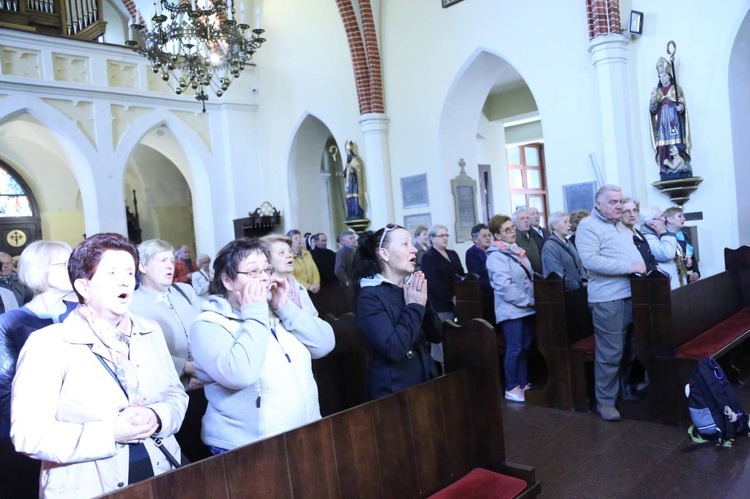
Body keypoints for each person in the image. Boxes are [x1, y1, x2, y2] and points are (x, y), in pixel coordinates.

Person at [11, 233, 188, 498]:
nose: (124, 280)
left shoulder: (149, 330)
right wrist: (111, 433)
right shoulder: (48, 344)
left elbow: (176, 393)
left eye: (129, 272)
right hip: (88, 484)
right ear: (83, 287)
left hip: (159, 472)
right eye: (112, 272)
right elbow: (29, 435)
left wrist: (159, 416)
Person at [189, 238, 334, 453]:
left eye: (267, 269)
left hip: (304, 430)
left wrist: (286, 308)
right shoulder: (208, 324)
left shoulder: (276, 311)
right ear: (228, 280)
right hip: (247, 446)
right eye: (253, 272)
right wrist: (255, 313)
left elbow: (325, 344)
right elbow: (240, 374)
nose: (265, 278)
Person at [0, 240, 77, 499]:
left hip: (86, 429)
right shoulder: (11, 323)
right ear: (39, 270)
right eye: (63, 264)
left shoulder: (83, 313)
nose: (72, 268)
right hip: (38, 435)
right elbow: (5, 391)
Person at [576, 185, 646, 421]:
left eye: (619, 201)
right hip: (608, 299)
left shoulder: (620, 226)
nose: (618, 206)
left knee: (629, 349)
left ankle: (622, 391)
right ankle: (604, 402)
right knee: (610, 353)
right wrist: (631, 267)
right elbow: (591, 261)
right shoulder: (588, 226)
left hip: (631, 294)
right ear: (598, 204)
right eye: (612, 202)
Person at [353, 224, 442, 400]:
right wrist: (415, 306)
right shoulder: (370, 298)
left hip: (424, 380)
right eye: (405, 244)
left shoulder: (408, 289)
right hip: (395, 392)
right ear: (384, 254)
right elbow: (394, 348)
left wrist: (422, 301)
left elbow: (437, 334)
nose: (414, 250)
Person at [130, 239, 203, 390]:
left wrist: (203, 371)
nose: (170, 265)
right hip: (166, 387)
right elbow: (140, 352)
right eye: (162, 260)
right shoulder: (131, 304)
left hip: (205, 382)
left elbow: (205, 332)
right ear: (142, 266)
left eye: (171, 260)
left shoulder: (185, 291)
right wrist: (186, 368)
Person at [486, 215, 535, 403]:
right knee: (514, 348)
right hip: (511, 310)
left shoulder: (516, 250)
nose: (513, 232)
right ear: (497, 235)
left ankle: (522, 382)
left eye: (513, 228)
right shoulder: (496, 256)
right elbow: (504, 287)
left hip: (526, 307)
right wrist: (528, 300)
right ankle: (511, 386)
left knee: (525, 347)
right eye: (507, 230)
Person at [420, 224, 465, 363]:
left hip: (458, 301)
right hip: (441, 304)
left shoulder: (452, 254)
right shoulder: (429, 257)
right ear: (432, 239)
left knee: (457, 340)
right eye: (441, 236)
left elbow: (461, 274)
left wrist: (462, 293)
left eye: (446, 235)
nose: (445, 238)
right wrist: (451, 297)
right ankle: (444, 373)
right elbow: (433, 283)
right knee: (443, 342)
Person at [263, 234, 331, 321]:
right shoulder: (265, 291)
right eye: (282, 252)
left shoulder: (297, 286)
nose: (289, 255)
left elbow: (313, 317)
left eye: (289, 251)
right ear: (266, 260)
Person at [650, 56, 691, 179]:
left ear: (669, 76)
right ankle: (665, 168)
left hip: (674, 120)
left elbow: (681, 102)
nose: (662, 78)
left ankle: (679, 166)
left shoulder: (677, 89)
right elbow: (653, 110)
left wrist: (681, 107)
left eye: (664, 76)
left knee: (675, 142)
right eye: (660, 77)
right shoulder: (657, 92)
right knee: (663, 143)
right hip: (662, 121)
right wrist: (653, 100)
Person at [541, 212, 588, 291]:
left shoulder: (568, 242)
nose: (569, 225)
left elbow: (579, 264)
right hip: (564, 293)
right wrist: (577, 286)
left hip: (578, 289)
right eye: (565, 222)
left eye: (569, 221)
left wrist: (584, 280)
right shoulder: (550, 246)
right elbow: (558, 273)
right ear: (554, 225)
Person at [620, 200, 660, 275]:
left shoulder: (638, 233)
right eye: (627, 211)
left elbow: (649, 257)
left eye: (635, 210)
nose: (632, 214)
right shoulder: (620, 235)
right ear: (619, 215)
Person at [664, 206, 700, 285]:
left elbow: (691, 257)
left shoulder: (684, 235)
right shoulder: (663, 237)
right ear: (670, 219)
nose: (684, 219)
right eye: (680, 216)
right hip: (672, 282)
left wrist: (696, 273)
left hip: (684, 281)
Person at [287, 229, 321, 294]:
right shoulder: (288, 256)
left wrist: (316, 284)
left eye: (300, 237)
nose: (299, 239)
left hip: (313, 289)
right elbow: (292, 276)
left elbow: (314, 270)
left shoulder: (307, 253)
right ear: (290, 241)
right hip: (299, 291)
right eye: (296, 238)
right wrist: (308, 287)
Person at [512, 209, 543, 276]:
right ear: (515, 223)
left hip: (538, 278)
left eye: (527, 218)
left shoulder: (531, 239)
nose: (526, 221)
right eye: (522, 219)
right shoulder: (514, 240)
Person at [341, 140, 366, 220]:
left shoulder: (356, 160)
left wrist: (353, 170)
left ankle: (357, 212)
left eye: (348, 151)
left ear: (351, 151)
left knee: (355, 197)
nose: (347, 154)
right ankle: (351, 213)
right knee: (349, 198)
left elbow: (358, 170)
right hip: (349, 184)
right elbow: (345, 172)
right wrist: (342, 174)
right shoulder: (348, 163)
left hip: (355, 183)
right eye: (346, 152)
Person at [465, 223, 493, 293]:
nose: (488, 238)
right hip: (485, 292)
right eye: (484, 236)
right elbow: (477, 276)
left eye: (489, 235)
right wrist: (494, 286)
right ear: (475, 239)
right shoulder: (471, 253)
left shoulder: (493, 250)